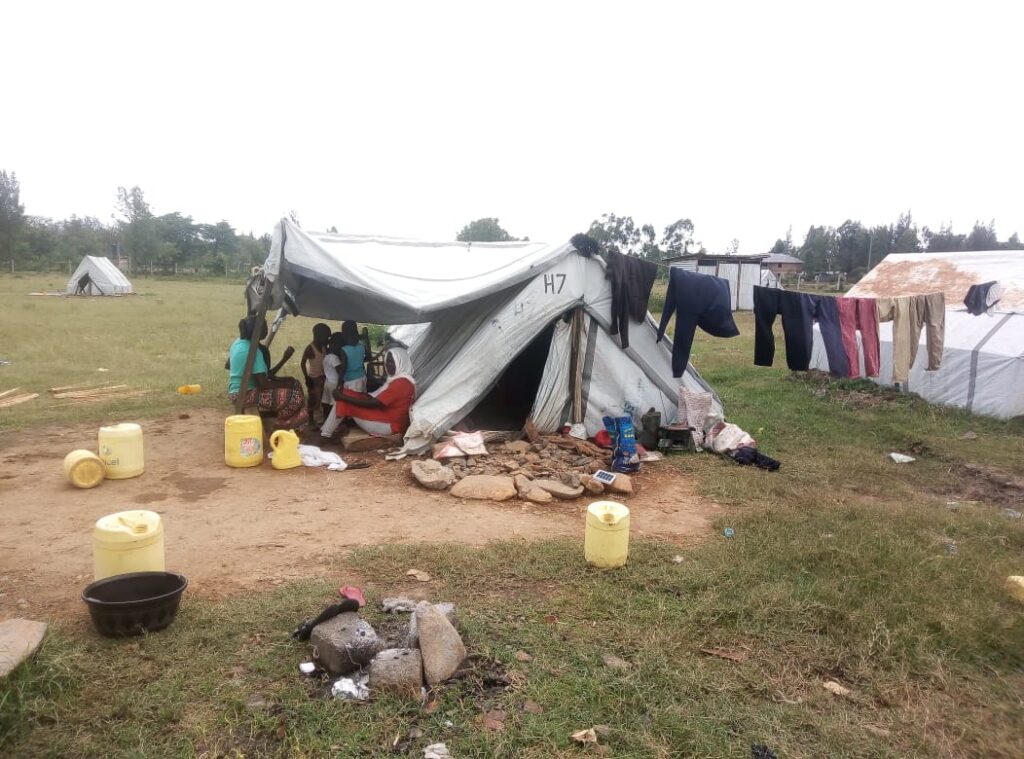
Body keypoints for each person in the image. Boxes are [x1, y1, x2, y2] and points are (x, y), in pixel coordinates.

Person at [226, 316, 308, 430]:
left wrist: (282, 381)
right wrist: (285, 384)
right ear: (257, 331)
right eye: (264, 327)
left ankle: (291, 422)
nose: (266, 329)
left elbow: (229, 365)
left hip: (238, 390)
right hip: (245, 394)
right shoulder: (254, 351)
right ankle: (281, 427)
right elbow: (263, 384)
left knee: (295, 384)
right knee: (294, 396)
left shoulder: (238, 342)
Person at [320, 346, 416, 440]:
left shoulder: (401, 383)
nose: (387, 365)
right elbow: (374, 398)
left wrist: (343, 397)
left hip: (390, 426)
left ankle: (325, 434)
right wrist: (345, 395)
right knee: (345, 394)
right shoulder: (402, 380)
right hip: (389, 419)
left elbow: (374, 403)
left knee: (343, 401)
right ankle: (326, 431)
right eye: (387, 361)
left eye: (392, 362)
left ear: (402, 362)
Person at [301, 323, 331, 423]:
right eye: (326, 337)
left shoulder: (323, 347)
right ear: (319, 336)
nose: (327, 339)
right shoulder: (310, 348)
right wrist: (306, 377)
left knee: (324, 398)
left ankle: (325, 418)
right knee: (313, 398)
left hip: (323, 377)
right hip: (314, 379)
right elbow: (302, 363)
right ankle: (310, 420)